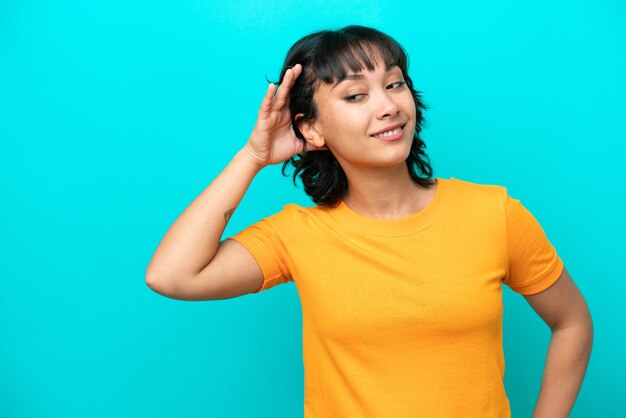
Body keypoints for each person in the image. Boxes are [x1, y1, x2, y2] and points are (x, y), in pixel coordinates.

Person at [145, 25, 593, 418]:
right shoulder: (297, 235)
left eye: (394, 85)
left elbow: (572, 322)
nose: (387, 106)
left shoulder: (493, 212)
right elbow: (171, 275)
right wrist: (253, 156)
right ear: (312, 130)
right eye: (356, 95)